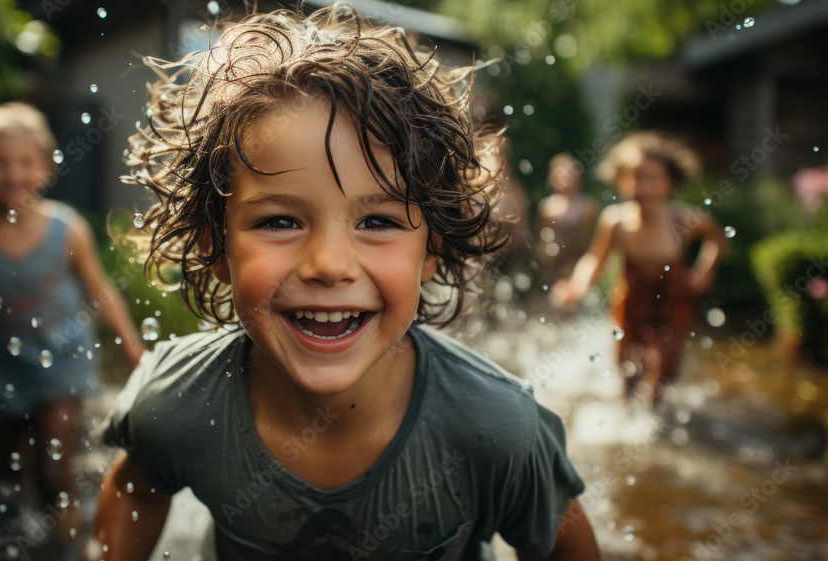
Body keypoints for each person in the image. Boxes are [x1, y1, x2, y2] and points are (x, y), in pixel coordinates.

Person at [94, 5, 600, 560]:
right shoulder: (177, 404)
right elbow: (136, 490)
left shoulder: (495, 430)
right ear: (217, 249)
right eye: (279, 222)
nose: (330, 265)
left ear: (431, 251)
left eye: (377, 222)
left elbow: (568, 548)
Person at [0, 102, 145, 553]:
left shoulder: (67, 230)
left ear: (46, 168)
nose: (13, 174)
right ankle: (13, 544)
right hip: (1, 365)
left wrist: (129, 342)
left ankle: (69, 546)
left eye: (25, 162)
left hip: (62, 363)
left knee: (51, 470)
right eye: (0, 163)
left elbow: (100, 290)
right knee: (7, 474)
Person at [552, 132, 724, 406]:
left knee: (662, 371)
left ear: (670, 182)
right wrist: (577, 285)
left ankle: (656, 417)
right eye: (634, 177)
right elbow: (595, 258)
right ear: (620, 179)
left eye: (652, 178)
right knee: (626, 366)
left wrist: (704, 270)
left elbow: (717, 237)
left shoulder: (682, 220)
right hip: (630, 302)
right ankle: (625, 414)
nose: (642, 186)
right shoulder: (616, 221)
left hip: (672, 305)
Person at [534, 153, 599, 286]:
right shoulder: (548, 207)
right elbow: (541, 236)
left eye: (570, 175)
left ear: (579, 178)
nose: (567, 180)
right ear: (553, 178)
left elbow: (595, 237)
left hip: (579, 259)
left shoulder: (588, 206)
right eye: (562, 176)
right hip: (554, 263)